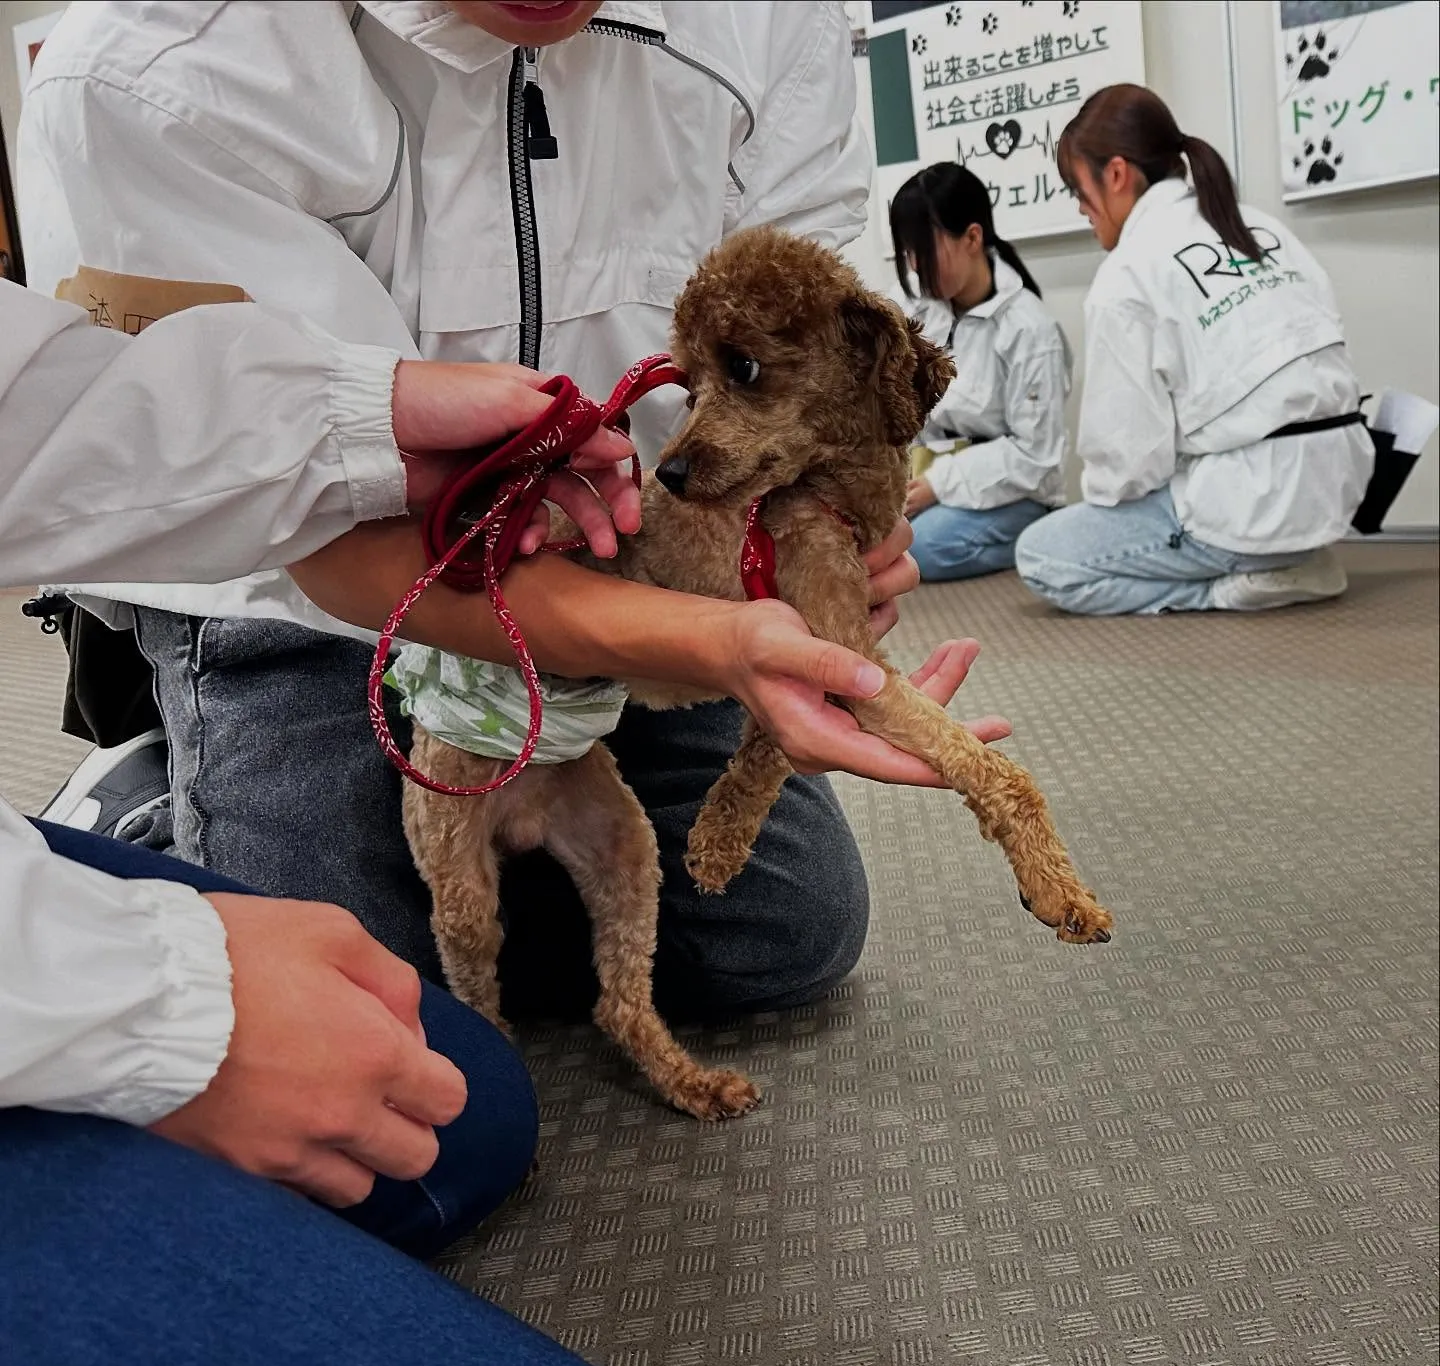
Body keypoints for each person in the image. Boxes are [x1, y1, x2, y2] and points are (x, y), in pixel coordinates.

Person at [19, 0, 927, 1021]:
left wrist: (828, 531)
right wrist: (711, 639)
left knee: (780, 936)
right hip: (308, 592)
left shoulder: (769, 22)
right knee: (362, 1014)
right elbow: (310, 510)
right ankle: (156, 796)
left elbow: (814, 365)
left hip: (635, 563)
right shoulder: (149, 64)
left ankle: (464, 844)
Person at [0, 278, 669, 1366]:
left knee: (465, 1113)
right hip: (322, 626)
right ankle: (156, 804)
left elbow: (40, 406)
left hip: (526, 666)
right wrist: (148, 1005)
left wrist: (361, 425)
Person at [1014, 84, 1373, 616]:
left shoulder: (1127, 273)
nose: (1080, 208)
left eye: (1078, 188)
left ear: (1115, 175)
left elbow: (1124, 468)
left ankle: (1235, 585)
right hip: (1341, 481)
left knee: (1045, 555)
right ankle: (1291, 558)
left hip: (1249, 506)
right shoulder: (1260, 227)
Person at [889, 162, 1071, 582]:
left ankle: (1038, 530)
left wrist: (939, 484)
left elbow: (1034, 454)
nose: (915, 267)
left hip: (1015, 489)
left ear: (973, 237)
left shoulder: (1029, 327)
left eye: (925, 251)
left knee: (919, 551)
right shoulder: (914, 307)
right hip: (926, 475)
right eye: (908, 253)